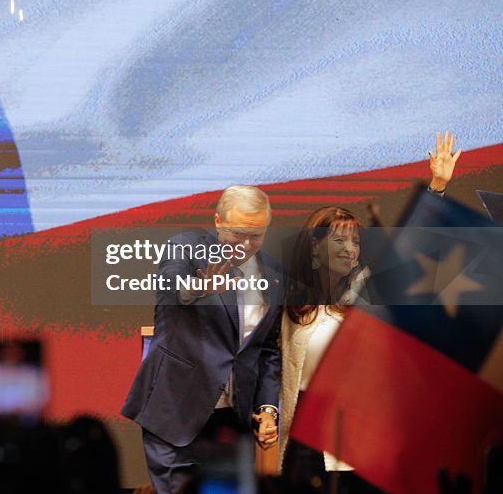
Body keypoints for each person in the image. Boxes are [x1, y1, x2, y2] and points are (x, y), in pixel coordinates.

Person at [277, 132, 461, 493]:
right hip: (303, 445)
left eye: (356, 240)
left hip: (357, 445)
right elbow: (265, 364)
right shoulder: (290, 306)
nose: (350, 248)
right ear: (314, 249)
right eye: (339, 240)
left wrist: (437, 188)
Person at [121, 185, 284, 494]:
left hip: (233, 422)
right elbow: (171, 286)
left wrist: (267, 409)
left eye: (257, 235)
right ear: (218, 221)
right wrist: (199, 287)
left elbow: (267, 351)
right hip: (177, 411)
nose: (246, 245)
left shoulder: (275, 274)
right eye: (238, 233)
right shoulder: (184, 248)